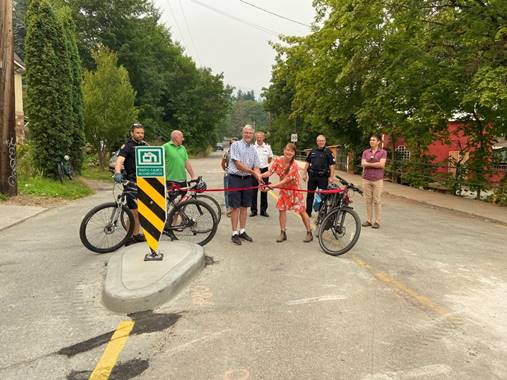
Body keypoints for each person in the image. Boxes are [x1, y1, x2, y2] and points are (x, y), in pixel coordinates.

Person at [262, 143, 313, 243]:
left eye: (291, 151)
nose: (288, 152)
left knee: (301, 211)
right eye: (287, 150)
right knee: (281, 210)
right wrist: (259, 175)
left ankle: (309, 232)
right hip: (284, 190)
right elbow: (269, 172)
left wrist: (270, 187)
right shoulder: (278, 160)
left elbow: (284, 181)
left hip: (295, 191)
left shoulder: (294, 166)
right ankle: (282, 232)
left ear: (294, 153)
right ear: (284, 150)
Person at [227, 125, 263, 245]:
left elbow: (257, 166)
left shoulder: (253, 149)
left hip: (247, 180)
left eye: (250, 133)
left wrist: (258, 177)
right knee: (235, 207)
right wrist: (253, 172)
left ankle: (242, 231)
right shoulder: (235, 145)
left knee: (244, 206)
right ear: (242, 133)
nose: (248, 135)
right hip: (235, 178)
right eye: (246, 132)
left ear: (253, 135)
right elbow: (238, 164)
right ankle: (234, 233)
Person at [113, 123, 147, 246]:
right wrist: (117, 172)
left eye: (142, 133)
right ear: (132, 133)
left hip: (144, 182)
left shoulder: (145, 146)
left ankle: (136, 234)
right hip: (131, 182)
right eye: (138, 133)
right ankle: (130, 236)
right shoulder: (127, 146)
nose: (140, 135)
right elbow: (119, 161)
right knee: (134, 211)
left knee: (139, 211)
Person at [302, 135, 336, 217]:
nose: (321, 142)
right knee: (310, 195)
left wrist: (331, 177)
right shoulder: (313, 151)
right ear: (317, 142)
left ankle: (321, 214)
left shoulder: (328, 152)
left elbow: (332, 165)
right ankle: (308, 212)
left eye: (322, 141)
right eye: (319, 141)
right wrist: (304, 173)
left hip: (323, 177)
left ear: (325, 141)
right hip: (312, 176)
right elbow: (307, 162)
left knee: (322, 196)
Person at [361, 134, 387, 229]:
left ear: (378, 142)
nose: (371, 141)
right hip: (366, 179)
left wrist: (368, 164)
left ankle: (377, 221)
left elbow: (382, 165)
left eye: (373, 140)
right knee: (368, 200)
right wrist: (375, 163)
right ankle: (368, 220)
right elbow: (363, 164)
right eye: (370, 140)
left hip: (378, 180)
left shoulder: (383, 152)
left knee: (377, 200)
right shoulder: (365, 152)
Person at [163, 130, 196, 199]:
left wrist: (193, 176)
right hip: (171, 180)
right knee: (173, 200)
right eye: (182, 137)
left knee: (183, 200)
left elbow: (186, 162)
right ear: (176, 137)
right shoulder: (165, 147)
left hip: (183, 179)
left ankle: (179, 210)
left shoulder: (183, 148)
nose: (183, 139)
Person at [250, 131, 273, 217]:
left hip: (264, 171)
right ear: (255, 137)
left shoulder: (267, 147)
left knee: (264, 190)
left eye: (261, 137)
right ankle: (253, 210)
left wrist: (264, 165)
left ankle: (263, 210)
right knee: (253, 191)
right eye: (257, 137)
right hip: (255, 170)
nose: (259, 138)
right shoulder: (252, 147)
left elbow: (270, 158)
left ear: (263, 138)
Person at [221, 139, 234, 217]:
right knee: (227, 193)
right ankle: (228, 209)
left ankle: (234, 209)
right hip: (228, 174)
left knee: (235, 192)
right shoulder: (226, 153)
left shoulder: (240, 153)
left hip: (236, 175)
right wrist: (226, 170)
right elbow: (222, 163)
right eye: (232, 144)